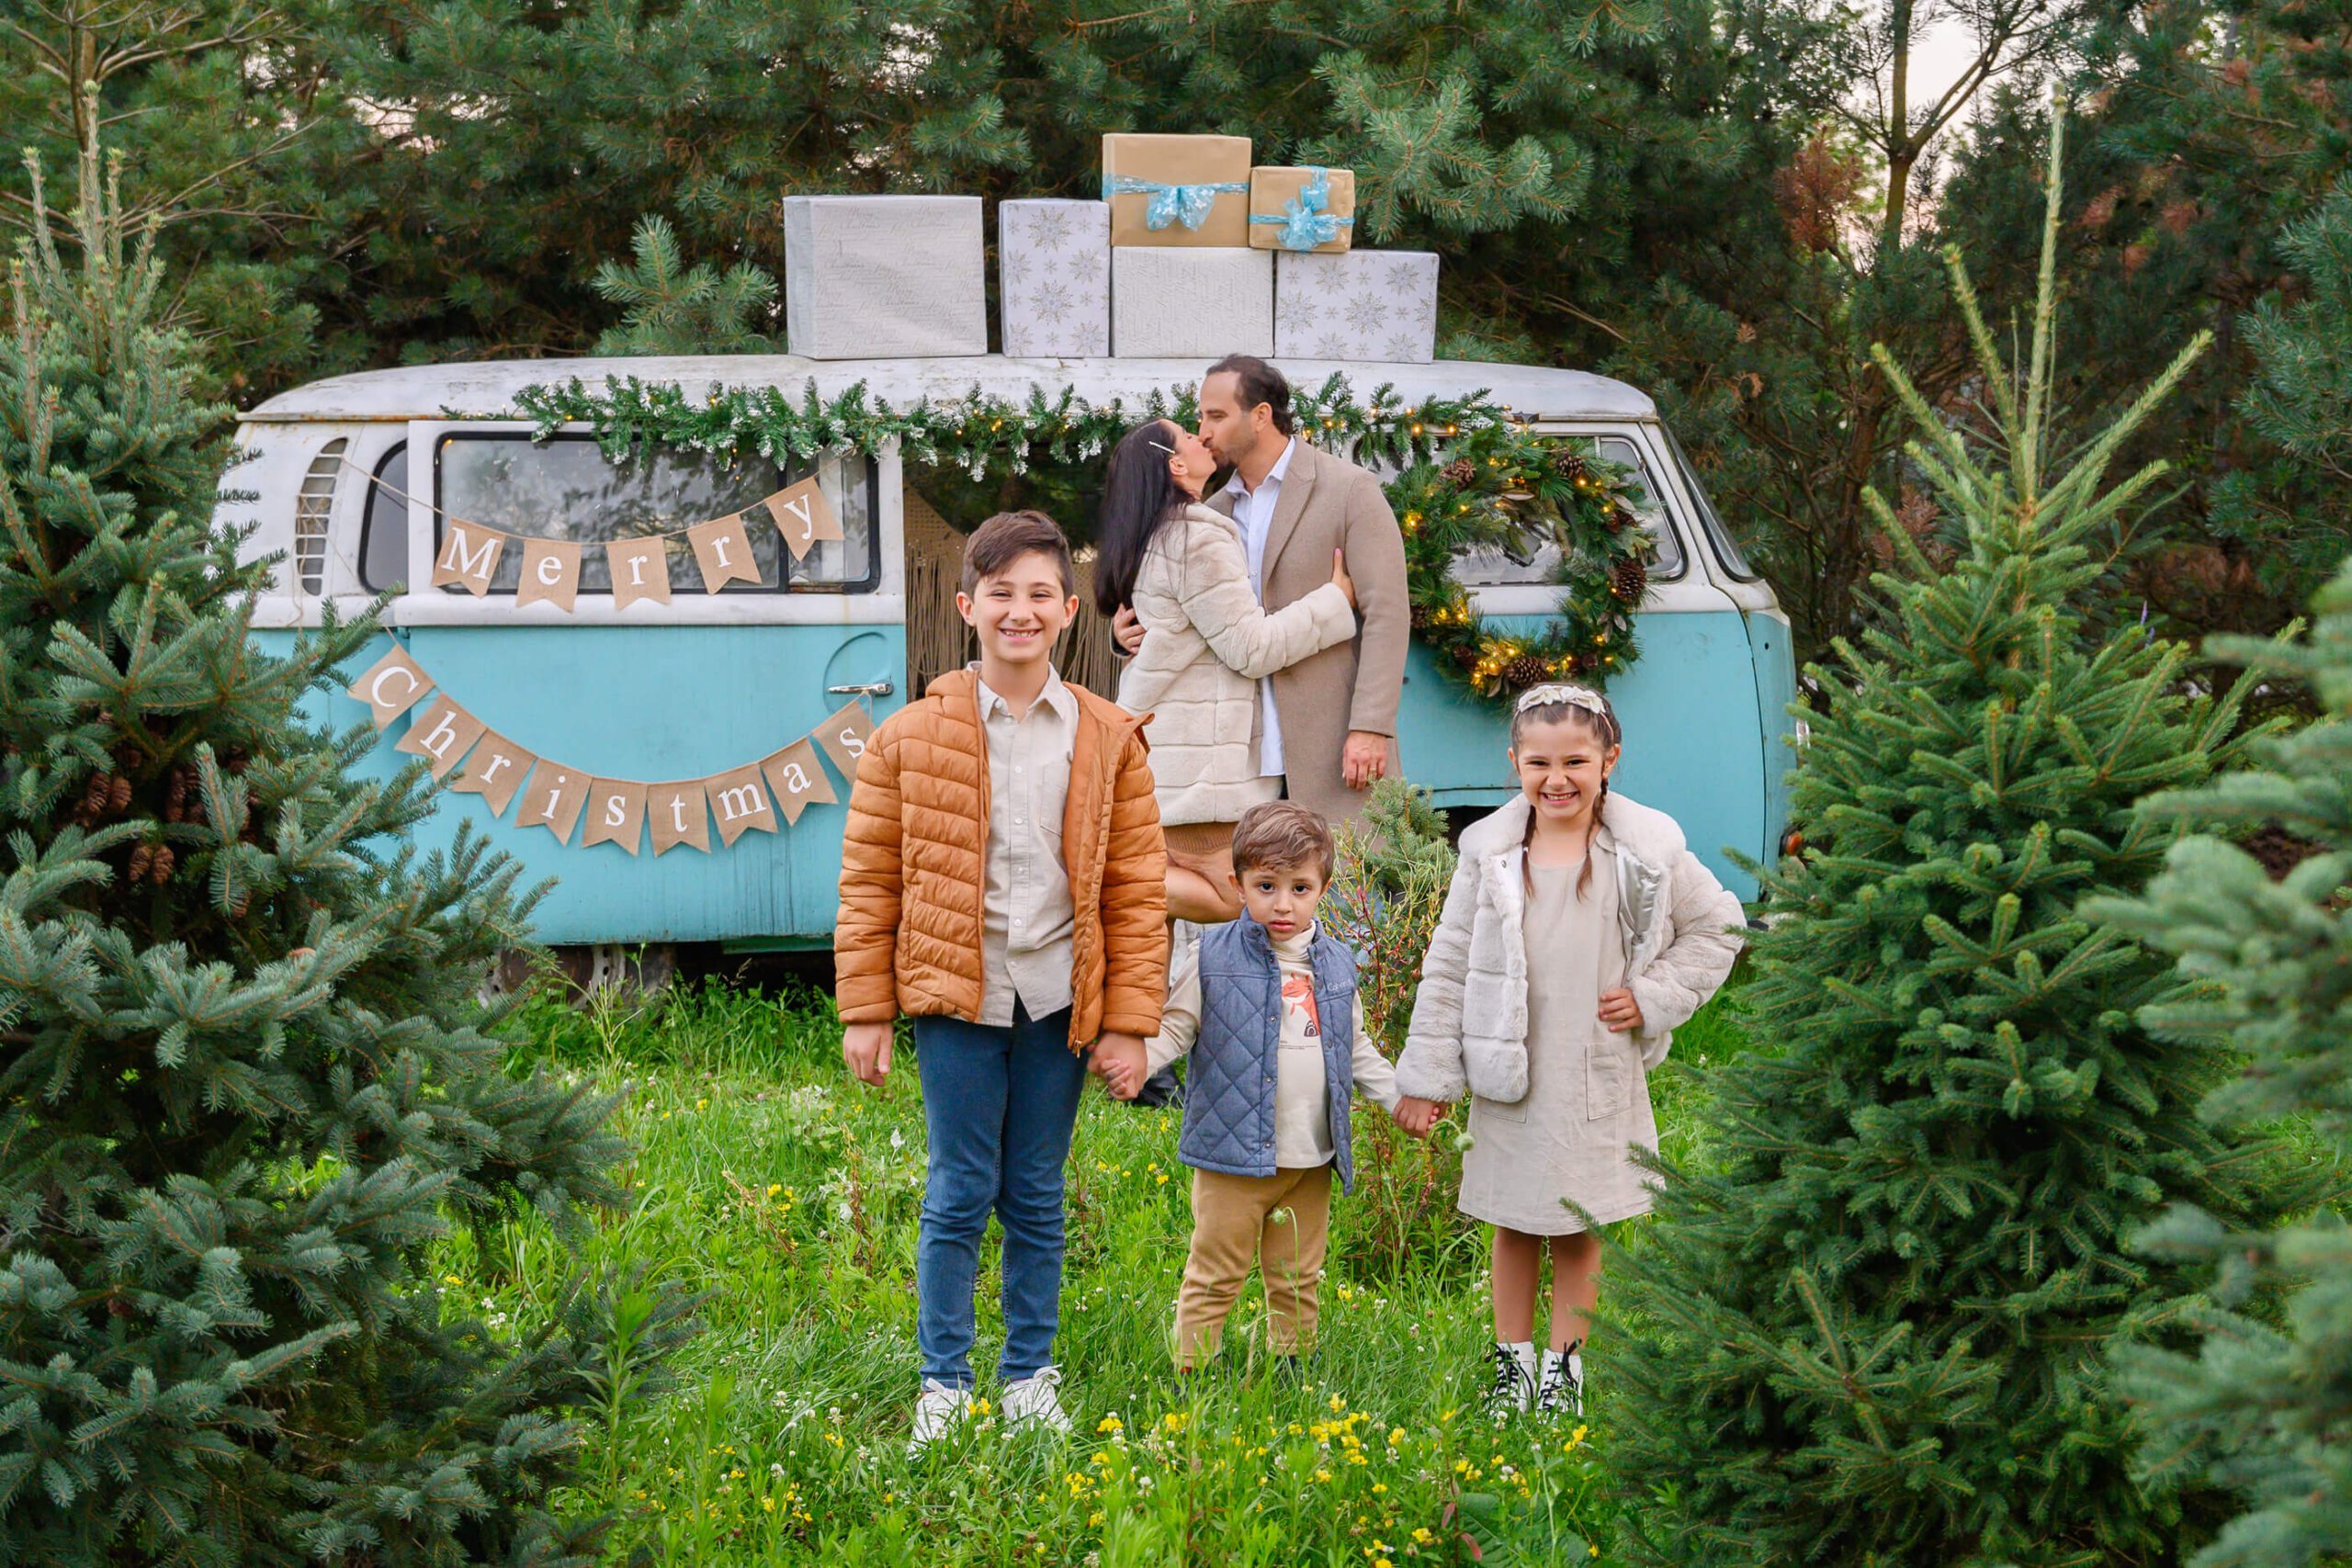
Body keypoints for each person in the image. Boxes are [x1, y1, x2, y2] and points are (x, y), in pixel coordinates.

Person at [834, 509, 1168, 1454]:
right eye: (1000, 595)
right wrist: (867, 1009)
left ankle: (1029, 1377)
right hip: (956, 998)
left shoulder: (1109, 737)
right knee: (956, 1188)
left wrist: (1130, 1023)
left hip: (1060, 998)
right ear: (966, 605)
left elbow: (1137, 892)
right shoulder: (907, 738)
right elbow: (870, 881)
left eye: (1037, 596)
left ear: (1066, 610)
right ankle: (943, 1383)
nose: (1017, 613)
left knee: (1034, 1192)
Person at [1391, 684, 1744, 1418]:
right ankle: (1511, 1368)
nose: (1558, 778)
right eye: (1540, 761)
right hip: (1509, 1072)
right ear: (1514, 762)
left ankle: (1564, 1375)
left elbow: (1719, 927)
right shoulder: (1488, 854)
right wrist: (1426, 1078)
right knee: (1513, 1222)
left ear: (1609, 759)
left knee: (1578, 1224)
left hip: (1593, 1070)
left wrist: (1652, 995)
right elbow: (1450, 962)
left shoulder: (1645, 854)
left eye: (1576, 760)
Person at [1099, 801, 1404, 1371]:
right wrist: (1141, 1061)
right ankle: (1192, 1373)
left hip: (1311, 1160)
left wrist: (1400, 1098)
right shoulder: (1210, 956)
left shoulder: (1336, 965)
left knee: (1296, 1277)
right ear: (1239, 884)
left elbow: (1356, 1049)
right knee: (1216, 1271)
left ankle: (1292, 1368)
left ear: (1323, 888)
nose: (1282, 903)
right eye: (1266, 885)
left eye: (1299, 887)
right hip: (1232, 1159)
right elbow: (1175, 1026)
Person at [1113, 355, 1408, 827]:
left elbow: (1388, 615)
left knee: (1353, 890)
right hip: (1239, 764)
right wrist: (1128, 631)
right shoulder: (1209, 510)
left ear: (1261, 415)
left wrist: (1370, 725)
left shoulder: (1349, 489)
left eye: (1216, 416)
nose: (1204, 432)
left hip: (1329, 737)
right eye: (1198, 420)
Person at [1097, 416, 1361, 925]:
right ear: (1175, 463)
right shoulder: (1197, 535)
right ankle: (1109, 879)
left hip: (1166, 765)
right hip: (1203, 783)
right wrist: (1334, 604)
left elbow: (1166, 632)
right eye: (1190, 436)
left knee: (1160, 945)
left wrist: (1119, 638)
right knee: (1238, 901)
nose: (1203, 437)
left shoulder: (1152, 535)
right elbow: (1250, 648)